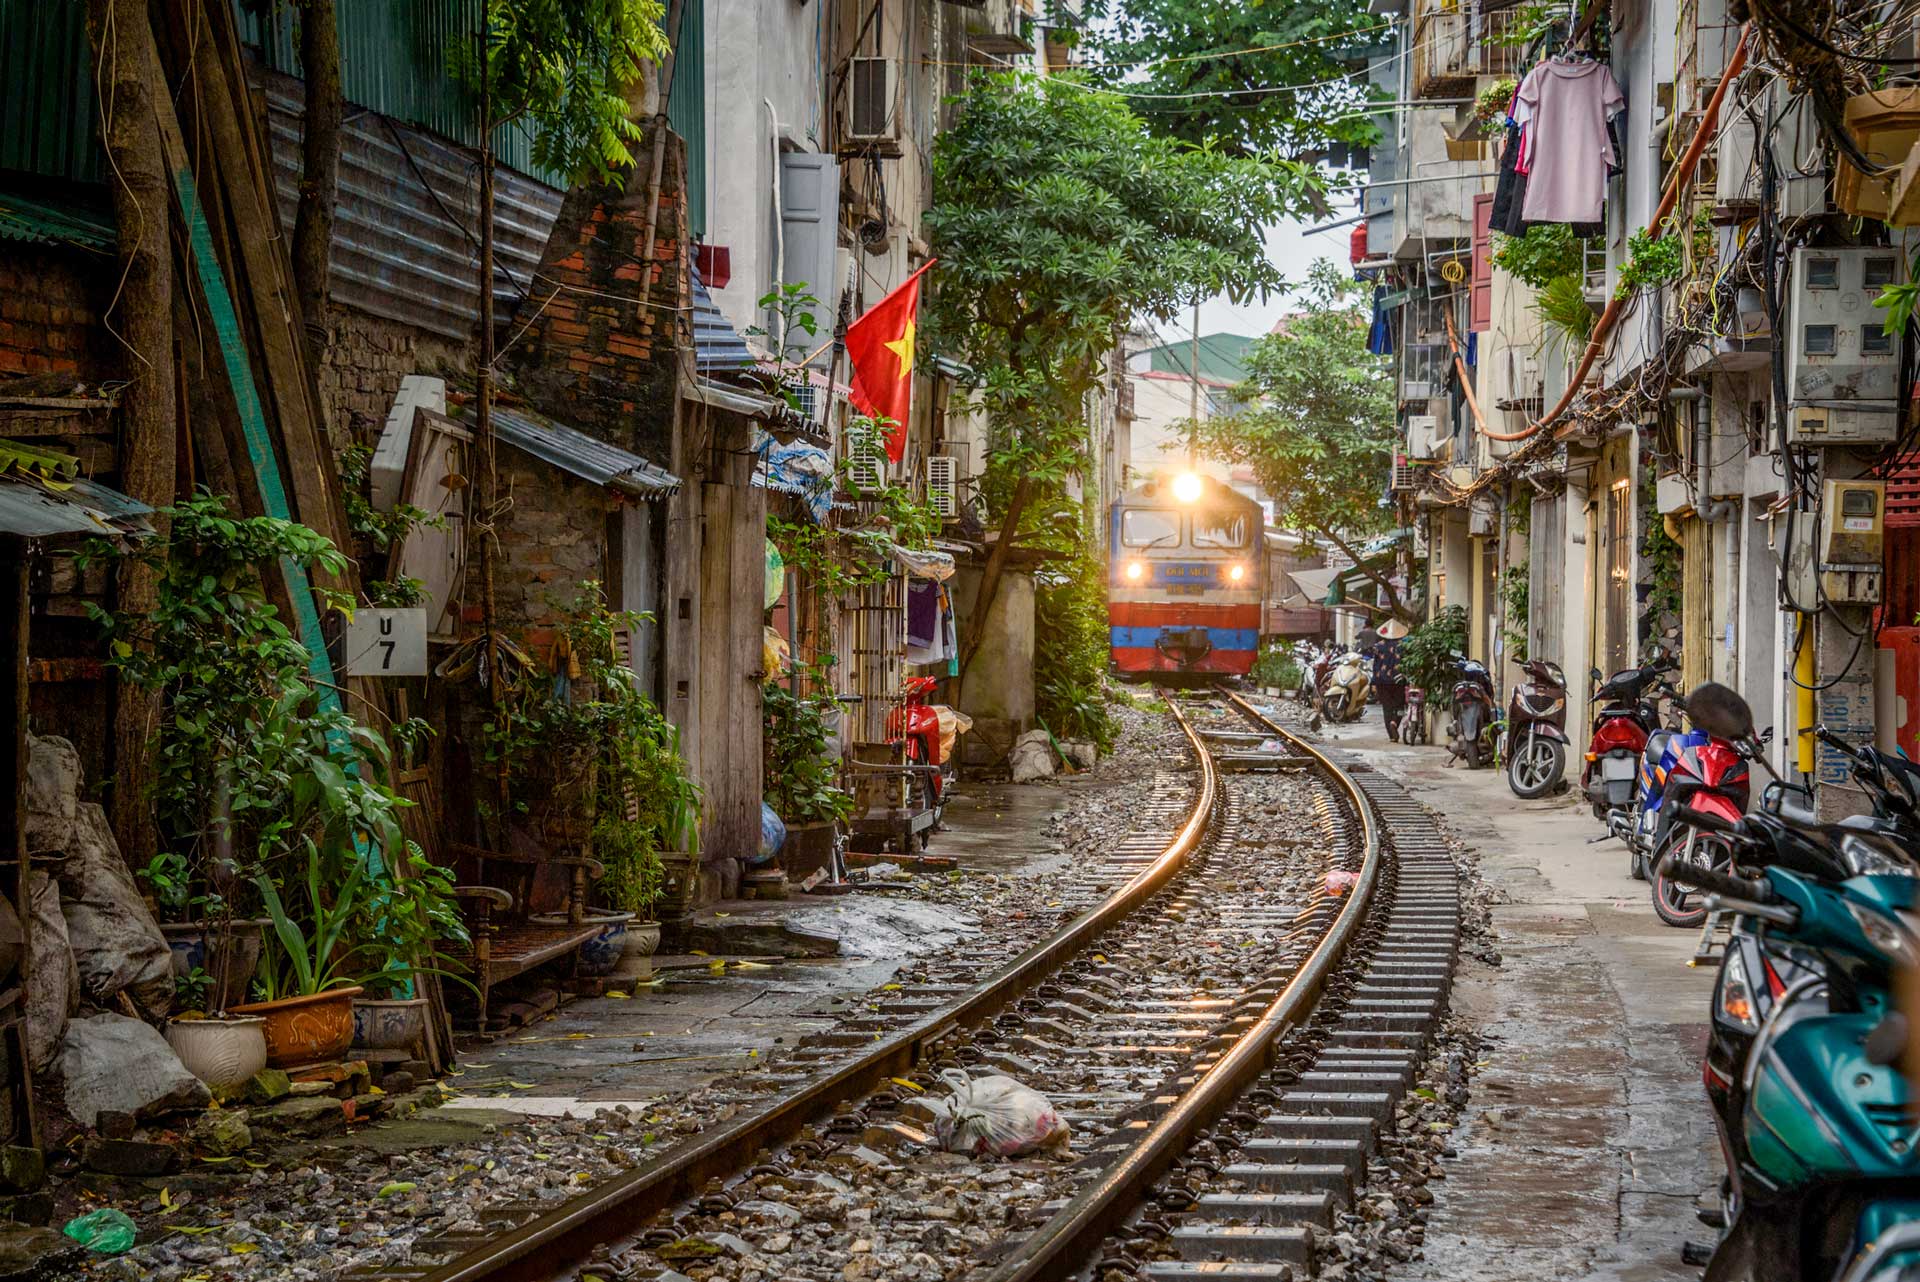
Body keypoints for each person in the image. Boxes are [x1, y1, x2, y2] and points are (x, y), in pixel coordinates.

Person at [1369, 618, 1409, 742]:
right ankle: (1395, 722)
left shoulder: (1378, 647)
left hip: (1382, 681)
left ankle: (1392, 736)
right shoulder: (1404, 646)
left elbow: (1375, 666)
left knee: (1387, 707)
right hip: (1399, 680)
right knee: (1400, 705)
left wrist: (1373, 683)